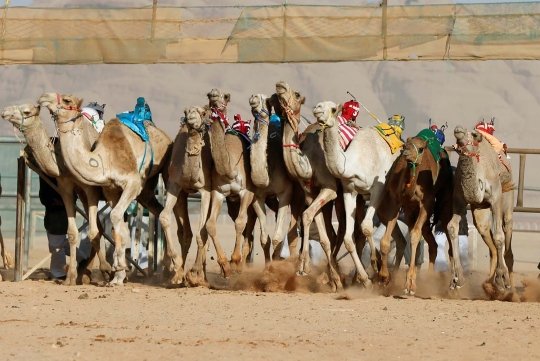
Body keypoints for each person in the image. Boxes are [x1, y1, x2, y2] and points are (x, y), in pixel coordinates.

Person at [39, 165, 91, 281]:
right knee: (60, 242)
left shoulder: (64, 168)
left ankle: (58, 272)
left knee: (56, 242)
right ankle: (82, 258)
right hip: (51, 207)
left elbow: (71, 189)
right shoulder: (46, 168)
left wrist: (64, 201)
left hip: (60, 207)